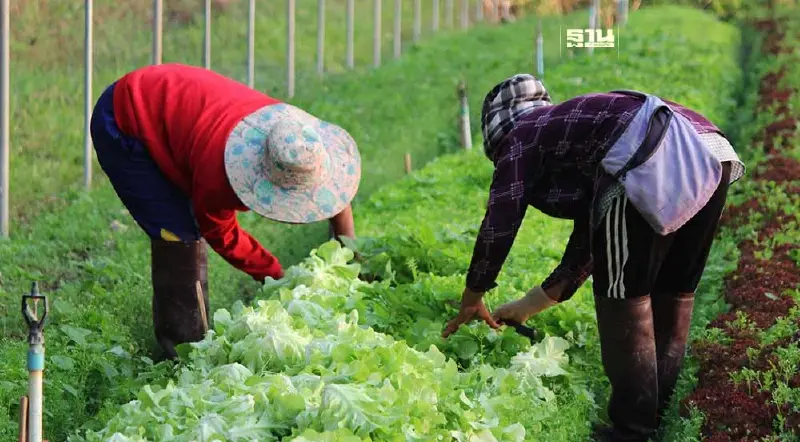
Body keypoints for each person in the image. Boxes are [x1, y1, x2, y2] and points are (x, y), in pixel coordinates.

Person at [442, 74, 744, 442]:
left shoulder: (521, 134)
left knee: (623, 293)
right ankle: (655, 415)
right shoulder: (571, 131)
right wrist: (529, 305)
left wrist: (473, 294)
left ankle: (630, 431)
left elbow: (501, 219)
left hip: (652, 151)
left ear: (498, 132)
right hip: (713, 152)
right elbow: (591, 238)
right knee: (672, 288)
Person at [90, 63, 361, 359]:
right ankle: (184, 347)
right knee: (178, 233)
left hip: (174, 100)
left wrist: (349, 255)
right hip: (123, 119)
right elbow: (222, 235)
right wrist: (274, 275)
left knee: (184, 207)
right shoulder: (219, 176)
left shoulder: (298, 136)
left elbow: (335, 191)